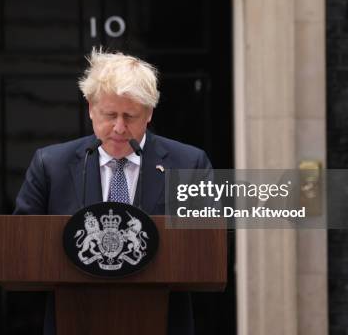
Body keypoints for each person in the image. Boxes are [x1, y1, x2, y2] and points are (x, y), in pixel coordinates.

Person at [14, 50, 212, 335]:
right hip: (75, 321)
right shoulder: (51, 165)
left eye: (130, 116)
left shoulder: (188, 164)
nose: (119, 128)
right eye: (110, 115)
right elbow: (23, 249)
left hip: (162, 322)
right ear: (91, 108)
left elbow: (207, 250)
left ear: (149, 113)